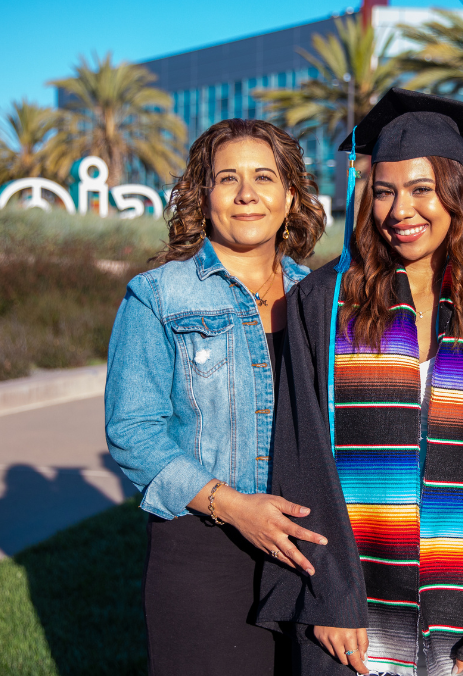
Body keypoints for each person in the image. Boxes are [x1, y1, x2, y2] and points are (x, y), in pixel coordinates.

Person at [258, 89, 463, 676]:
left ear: (457, 196)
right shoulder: (324, 303)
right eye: (383, 192)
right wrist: (328, 598)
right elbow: (301, 455)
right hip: (351, 611)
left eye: (421, 189)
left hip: (459, 614)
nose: (400, 210)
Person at [104, 118, 328, 675]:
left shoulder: (325, 299)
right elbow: (132, 430)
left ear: (290, 196)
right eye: (228, 178)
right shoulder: (157, 295)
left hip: (314, 550)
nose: (247, 193)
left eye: (264, 177)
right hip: (204, 551)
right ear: (203, 197)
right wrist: (234, 507)